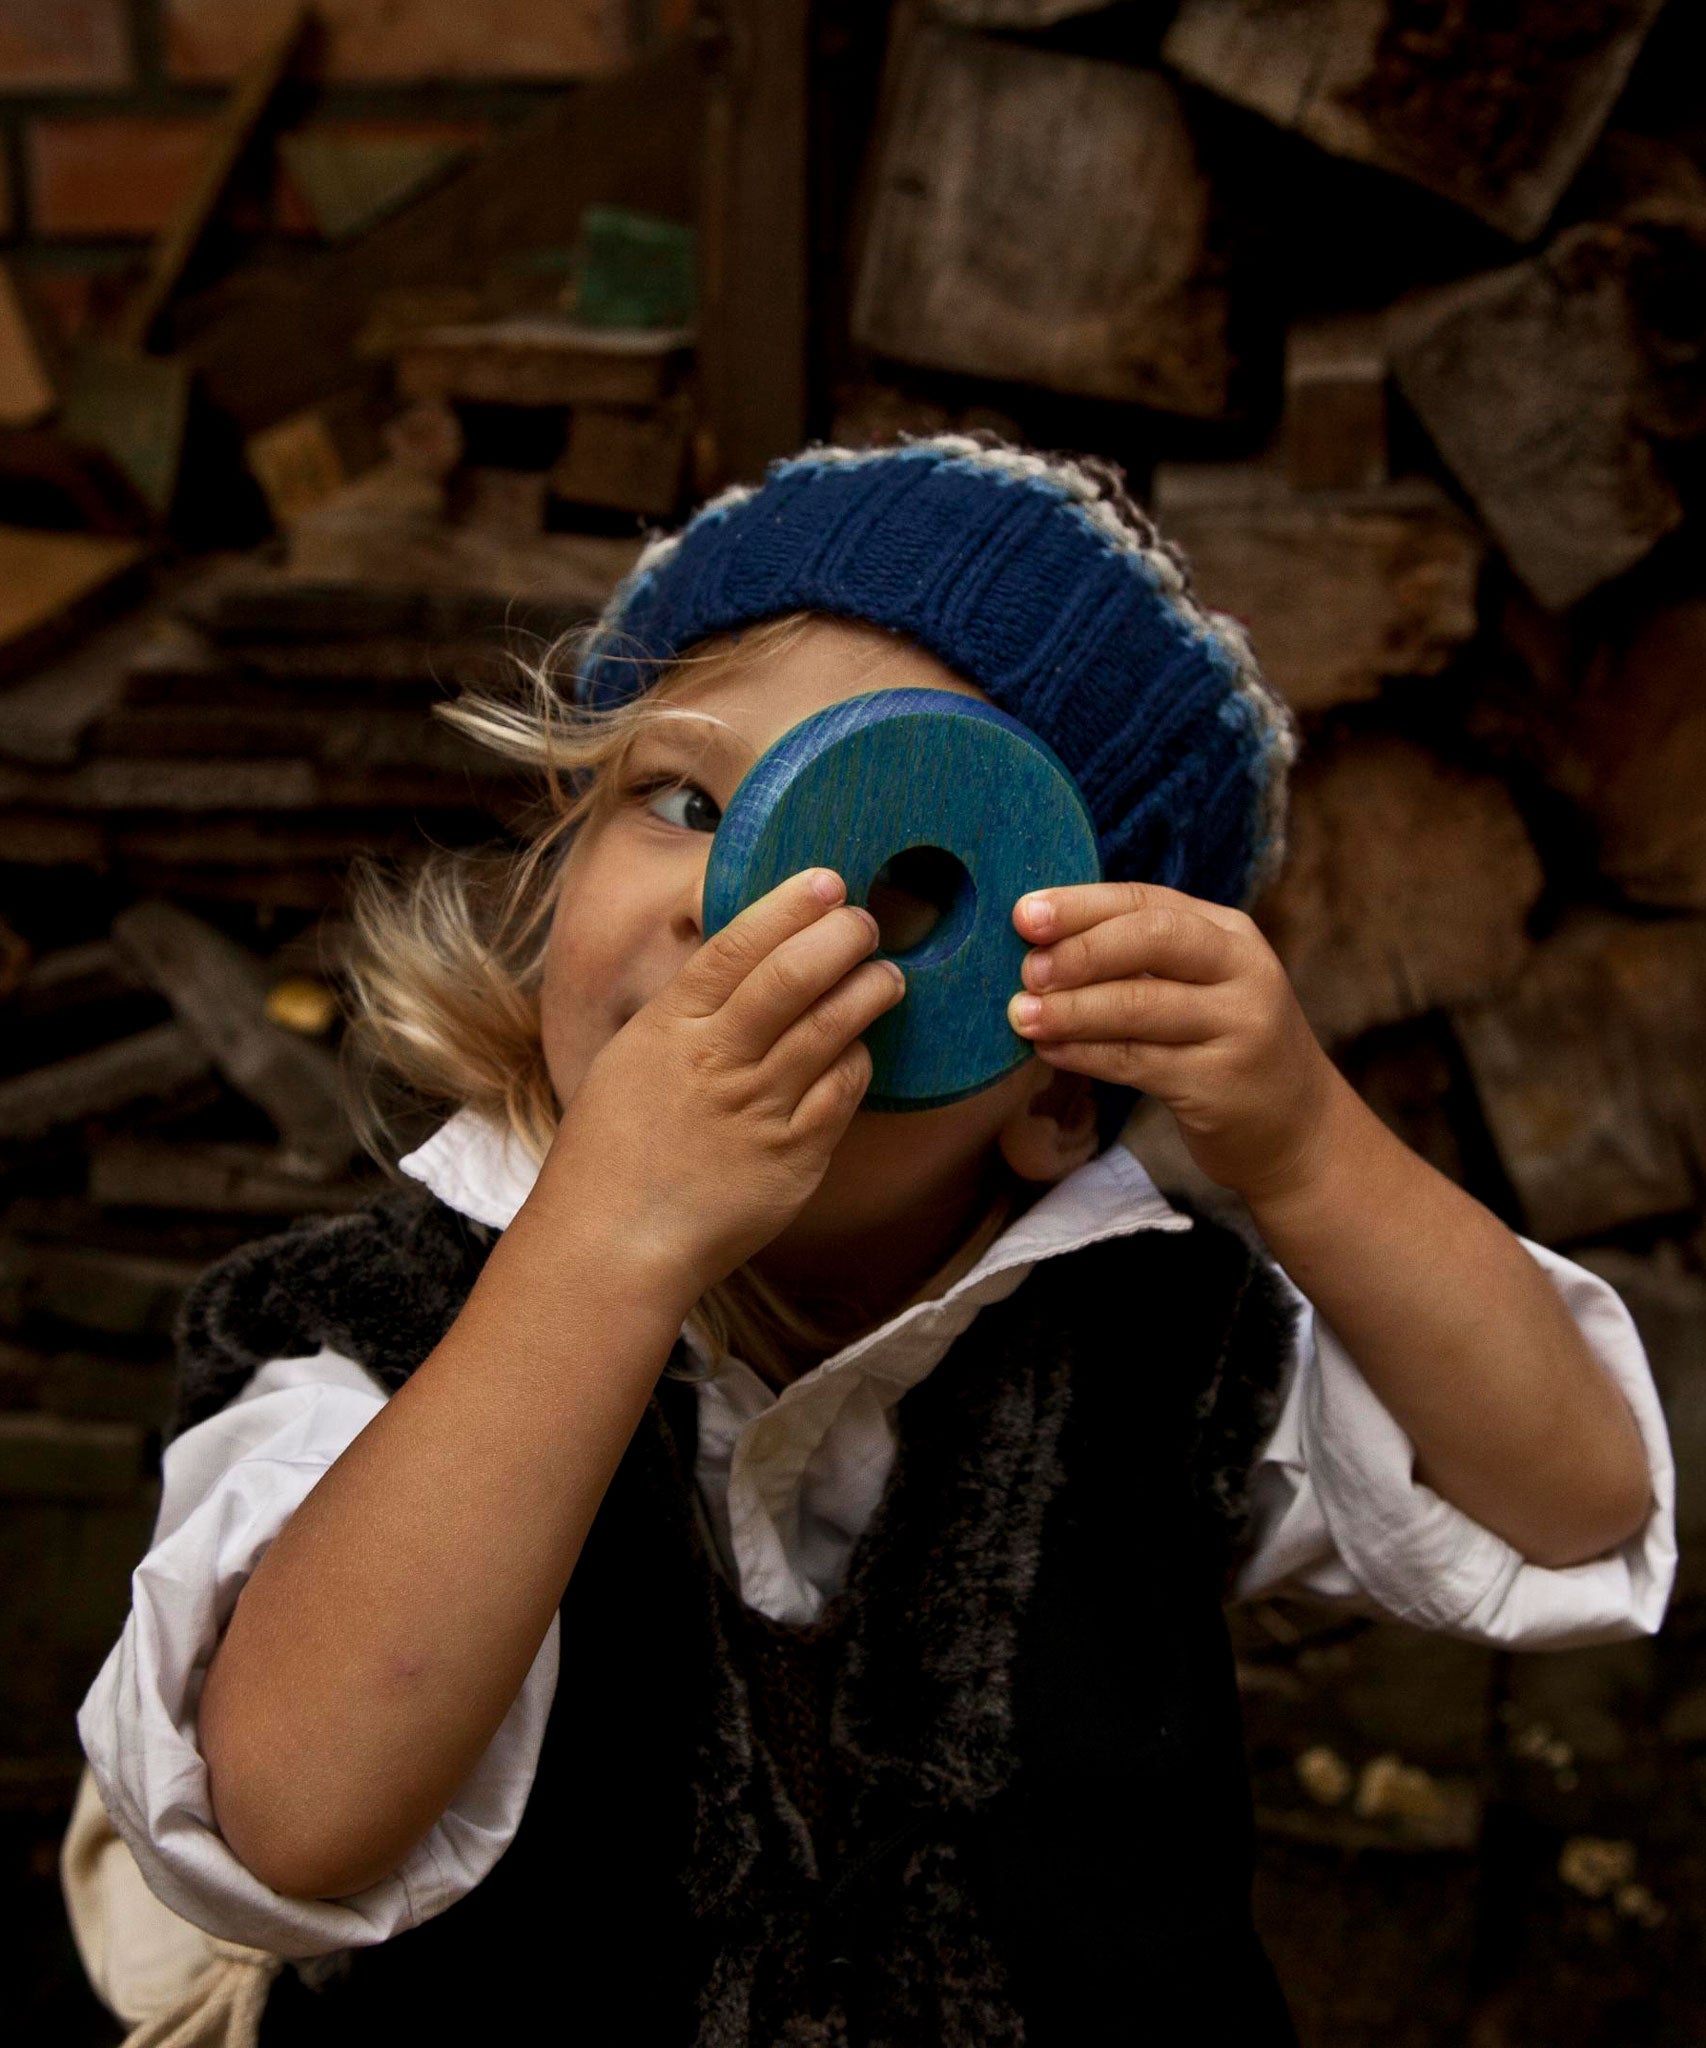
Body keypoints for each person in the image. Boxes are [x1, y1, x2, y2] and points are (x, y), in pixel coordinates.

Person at [69, 437, 1673, 2046]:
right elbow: (285, 1816)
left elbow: (1567, 1501)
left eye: (899, 881)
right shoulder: (367, 1332)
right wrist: (601, 1249)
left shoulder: (1156, 1349)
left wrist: (1311, 1147)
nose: (736, 906)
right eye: (686, 801)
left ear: (1058, 1082)